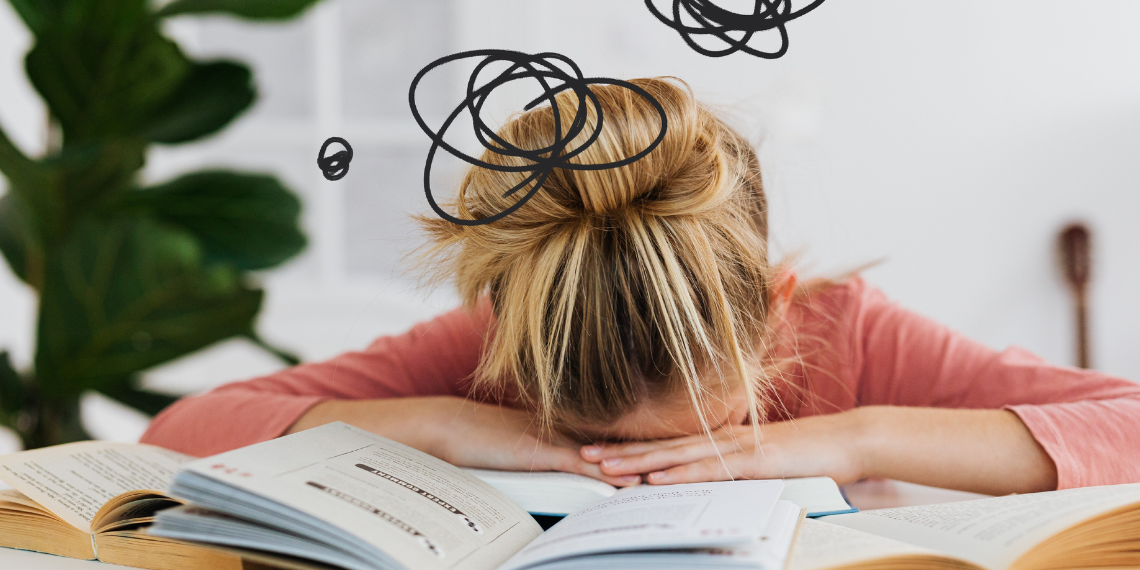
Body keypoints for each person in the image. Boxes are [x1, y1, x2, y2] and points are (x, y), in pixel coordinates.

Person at [141, 78, 1140, 495]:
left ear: (777, 307)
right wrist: (444, 425)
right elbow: (183, 429)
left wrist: (855, 435)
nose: (653, 475)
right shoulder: (493, 348)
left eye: (708, 439)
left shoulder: (850, 337)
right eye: (605, 446)